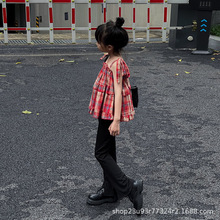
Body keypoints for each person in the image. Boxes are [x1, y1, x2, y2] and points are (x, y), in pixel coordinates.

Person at [87, 17, 143, 212]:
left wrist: (116, 120)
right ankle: (110, 191)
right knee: (108, 151)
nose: (96, 43)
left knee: (100, 153)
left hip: (110, 112)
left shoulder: (116, 63)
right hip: (105, 110)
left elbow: (118, 91)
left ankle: (129, 187)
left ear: (109, 46)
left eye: (98, 41)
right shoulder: (109, 58)